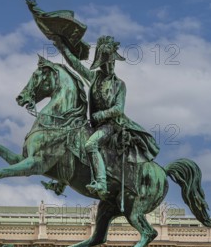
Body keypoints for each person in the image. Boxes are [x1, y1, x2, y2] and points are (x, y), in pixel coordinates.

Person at [53, 35, 159, 199]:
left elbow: (118, 108)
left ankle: (101, 182)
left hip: (112, 126)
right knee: (69, 139)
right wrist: (62, 47)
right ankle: (62, 179)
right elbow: (76, 65)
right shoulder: (94, 77)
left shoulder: (119, 84)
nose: (110, 66)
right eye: (107, 63)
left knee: (90, 144)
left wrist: (101, 114)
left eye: (112, 62)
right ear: (100, 64)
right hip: (94, 125)